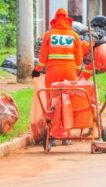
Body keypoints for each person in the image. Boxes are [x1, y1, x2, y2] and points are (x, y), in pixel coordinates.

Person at [32, 8, 83, 145]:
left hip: (53, 72)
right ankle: (67, 136)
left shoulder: (49, 34)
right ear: (67, 20)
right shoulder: (74, 36)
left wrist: (37, 69)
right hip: (70, 72)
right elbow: (79, 59)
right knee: (68, 101)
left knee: (53, 100)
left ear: (55, 19)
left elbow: (43, 55)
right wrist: (76, 72)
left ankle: (53, 135)